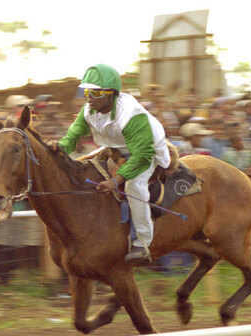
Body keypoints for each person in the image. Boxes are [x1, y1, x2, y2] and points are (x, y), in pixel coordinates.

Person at [57, 64, 171, 264]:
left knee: (133, 185)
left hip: (145, 150)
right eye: (87, 91)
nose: (89, 97)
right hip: (113, 149)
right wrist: (56, 148)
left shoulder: (131, 114)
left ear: (111, 94)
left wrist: (115, 180)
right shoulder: (88, 110)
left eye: (96, 92)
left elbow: (141, 156)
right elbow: (71, 139)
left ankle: (143, 242)